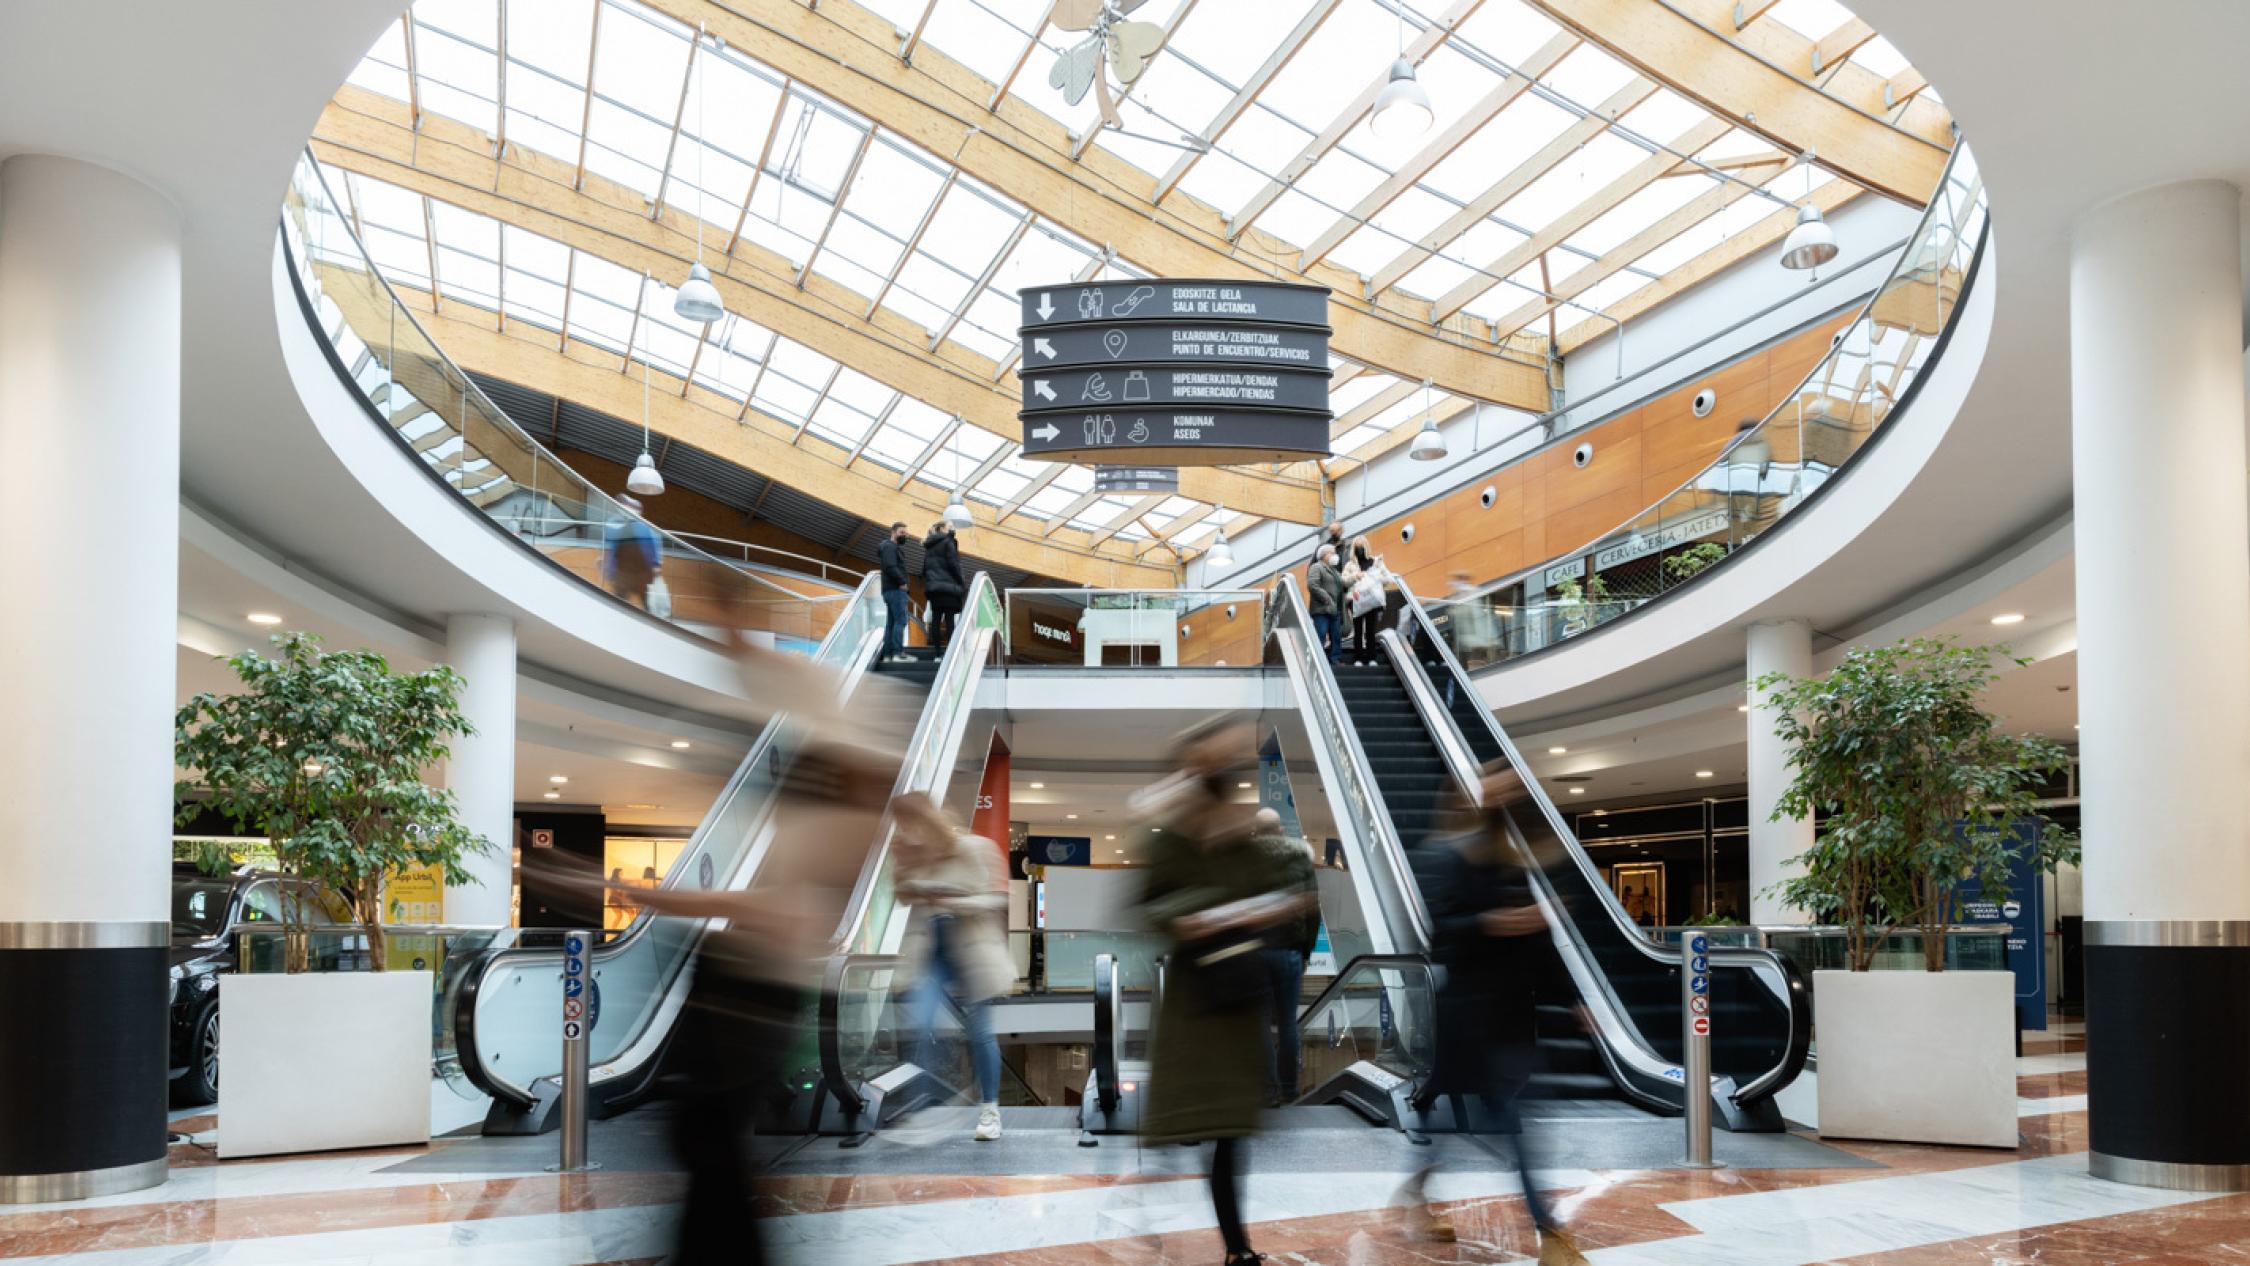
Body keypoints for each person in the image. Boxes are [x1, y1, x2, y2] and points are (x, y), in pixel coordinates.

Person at [1136, 722, 1315, 1266]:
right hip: (1198, 1000)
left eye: (1221, 761)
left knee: (1232, 1129)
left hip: (1240, 995)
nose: (1215, 770)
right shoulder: (1169, 841)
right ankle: (1168, 1179)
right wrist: (1208, 913)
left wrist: (1258, 910)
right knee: (1201, 1115)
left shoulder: (1244, 840)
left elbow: (1281, 899)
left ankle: (1237, 1247)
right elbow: (1152, 907)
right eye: (1203, 762)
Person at [1403, 770, 1588, 1265]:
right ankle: (1544, 1229)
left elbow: (1540, 940)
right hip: (1466, 1012)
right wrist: (1497, 923)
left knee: (1506, 1118)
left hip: (1508, 1014)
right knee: (1492, 1119)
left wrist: (1574, 999)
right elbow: (1442, 934)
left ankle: (1540, 1228)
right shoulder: (1447, 857)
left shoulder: (1511, 865)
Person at [892, 792, 1012, 1141]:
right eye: (903, 825)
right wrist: (904, 871)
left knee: (979, 1031)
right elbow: (902, 896)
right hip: (933, 952)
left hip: (973, 951)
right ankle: (922, 1108)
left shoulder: (974, 848)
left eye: (913, 823)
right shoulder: (915, 855)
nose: (908, 831)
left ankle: (990, 1109)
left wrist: (948, 898)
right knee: (922, 1022)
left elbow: (996, 899)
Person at [1250, 808, 1320, 1105]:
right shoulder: (1300, 856)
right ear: (1280, 830)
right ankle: (1290, 1089)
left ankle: (1268, 1092)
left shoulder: (1245, 858)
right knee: (1289, 1023)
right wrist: (1306, 951)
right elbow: (1312, 909)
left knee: (1261, 1022)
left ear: (1255, 833)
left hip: (1256, 952)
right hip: (1290, 950)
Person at [603, 495, 662, 611]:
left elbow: (652, 551)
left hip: (637, 575)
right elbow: (611, 551)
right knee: (622, 602)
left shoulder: (642, 528)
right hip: (626, 574)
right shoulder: (615, 524)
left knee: (640, 602)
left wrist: (656, 566)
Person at [1342, 535, 1390, 665]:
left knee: (1370, 629)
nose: (1359, 549)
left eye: (1361, 546)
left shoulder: (1375, 562)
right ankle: (1358, 658)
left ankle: (1371, 658)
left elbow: (1387, 580)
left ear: (1366, 546)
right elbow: (1344, 581)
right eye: (1357, 546)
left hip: (1372, 599)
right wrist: (1355, 576)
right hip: (1356, 599)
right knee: (1357, 630)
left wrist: (1377, 576)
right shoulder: (1350, 565)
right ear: (1353, 548)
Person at [921, 520, 966, 651]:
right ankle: (950, 653)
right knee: (949, 620)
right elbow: (954, 565)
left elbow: (924, 568)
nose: (953, 530)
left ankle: (937, 654)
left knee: (936, 620)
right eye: (950, 527)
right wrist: (961, 582)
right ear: (941, 529)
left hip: (934, 589)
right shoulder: (948, 542)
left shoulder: (929, 545)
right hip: (949, 588)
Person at [877, 521, 912, 662]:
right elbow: (891, 566)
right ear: (893, 532)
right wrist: (902, 582)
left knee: (891, 623)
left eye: (906, 533)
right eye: (902, 532)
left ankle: (887, 655)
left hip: (889, 590)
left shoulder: (888, 547)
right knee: (901, 621)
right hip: (896, 590)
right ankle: (897, 653)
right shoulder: (890, 547)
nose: (905, 535)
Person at [1306, 544, 1346, 664]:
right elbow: (1312, 585)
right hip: (1322, 609)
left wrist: (1356, 578)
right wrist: (1326, 598)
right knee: (1321, 634)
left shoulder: (1334, 571)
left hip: (1335, 609)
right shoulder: (1316, 567)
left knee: (1336, 636)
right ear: (1324, 555)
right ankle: (1318, 661)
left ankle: (1335, 659)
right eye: (1332, 553)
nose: (1335, 556)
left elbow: (1344, 582)